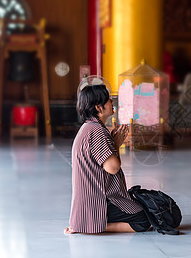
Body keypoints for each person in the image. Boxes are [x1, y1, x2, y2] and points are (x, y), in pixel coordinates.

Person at [64, 84, 150, 234]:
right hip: (99, 201)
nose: (112, 102)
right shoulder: (97, 131)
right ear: (98, 107)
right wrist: (116, 144)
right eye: (108, 100)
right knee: (145, 219)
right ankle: (92, 225)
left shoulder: (90, 127)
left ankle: (87, 223)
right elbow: (113, 167)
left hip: (89, 201)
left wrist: (113, 142)